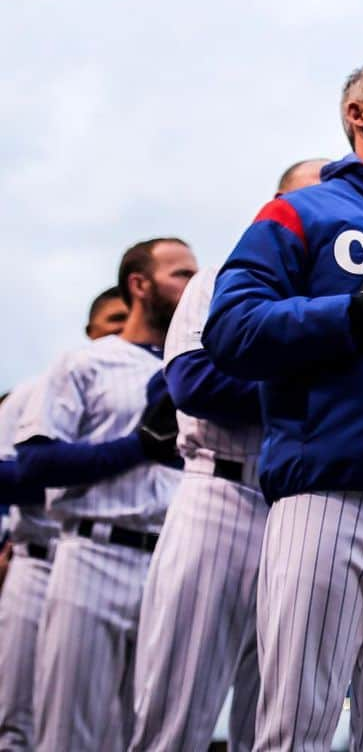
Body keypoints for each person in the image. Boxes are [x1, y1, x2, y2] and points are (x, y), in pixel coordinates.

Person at [204, 54, 363, 752]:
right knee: (298, 726)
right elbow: (229, 330)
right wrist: (352, 316)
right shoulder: (302, 209)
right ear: (357, 115)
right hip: (327, 497)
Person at [128, 158, 328, 752]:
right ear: (277, 207)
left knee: (277, 711)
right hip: (221, 497)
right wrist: (328, 387)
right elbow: (196, 385)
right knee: (177, 713)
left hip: (303, 509)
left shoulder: (345, 299)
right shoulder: (220, 278)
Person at [19, 239, 198, 751]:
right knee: (69, 734)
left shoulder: (189, 370)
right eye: (179, 274)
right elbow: (35, 465)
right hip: (92, 554)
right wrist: (136, 447)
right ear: (140, 285)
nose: (191, 283)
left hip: (169, 559)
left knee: (150, 731)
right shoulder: (85, 364)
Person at [0, 287, 130, 749]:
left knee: (112, 728)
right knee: (19, 722)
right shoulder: (38, 390)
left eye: (127, 318)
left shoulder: (149, 391)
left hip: (117, 557)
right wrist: (101, 465)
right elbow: (6, 476)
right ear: (90, 331)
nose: (120, 327)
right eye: (112, 319)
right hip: (39, 560)